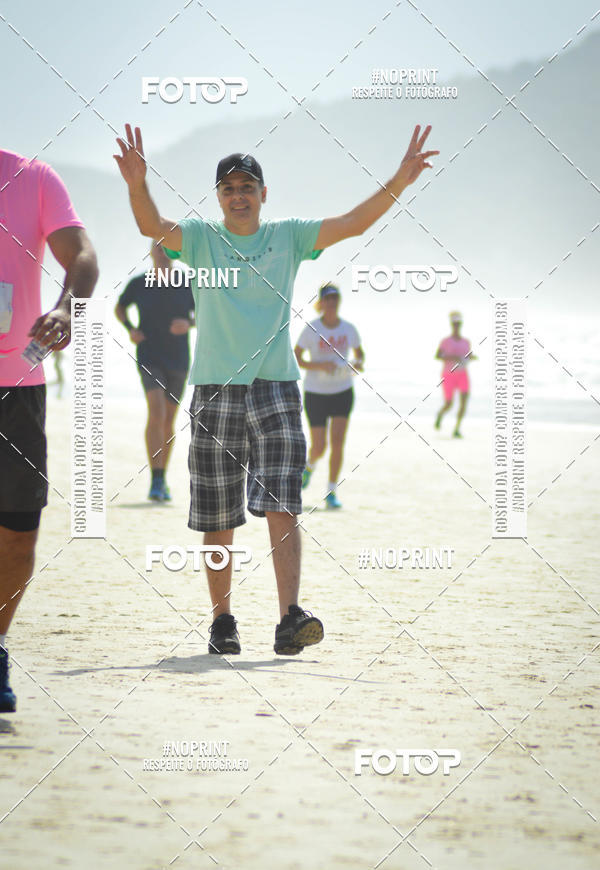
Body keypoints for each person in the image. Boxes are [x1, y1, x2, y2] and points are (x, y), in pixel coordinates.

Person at [114, 122, 438, 656]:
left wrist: (400, 181)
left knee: (284, 498)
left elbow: (353, 224)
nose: (238, 196)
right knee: (218, 513)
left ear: (264, 194)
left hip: (277, 385)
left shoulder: (288, 237)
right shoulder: (201, 239)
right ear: (219, 198)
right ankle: (223, 621)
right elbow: (153, 223)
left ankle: (290, 616)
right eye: (228, 189)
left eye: (247, 187)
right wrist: (136, 184)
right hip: (216, 387)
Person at [0, 149, 99, 712]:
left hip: (19, 386)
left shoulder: (32, 178)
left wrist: (66, 308)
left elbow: (83, 255)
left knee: (17, 533)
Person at [115, 241, 194, 501]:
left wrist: (189, 323)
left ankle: (161, 478)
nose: (162, 252)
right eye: (158, 247)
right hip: (149, 355)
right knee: (157, 411)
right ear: (150, 252)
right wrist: (131, 329)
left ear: (176, 252)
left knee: (169, 419)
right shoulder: (140, 283)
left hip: (179, 358)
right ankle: (156, 480)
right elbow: (120, 307)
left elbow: (206, 310)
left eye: (167, 247)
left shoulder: (187, 282)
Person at [294, 283, 364, 509]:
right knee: (320, 446)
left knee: (338, 443)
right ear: (321, 303)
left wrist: (354, 365)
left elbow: (360, 356)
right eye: (328, 299)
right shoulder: (312, 329)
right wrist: (318, 365)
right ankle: (309, 467)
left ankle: (331, 491)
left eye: (336, 298)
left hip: (342, 391)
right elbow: (297, 357)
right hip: (316, 393)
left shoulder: (348, 329)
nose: (332, 302)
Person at [434, 311, 476, 438]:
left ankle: (457, 428)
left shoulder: (466, 342)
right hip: (449, 374)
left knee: (464, 402)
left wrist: (471, 357)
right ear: (452, 325)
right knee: (449, 404)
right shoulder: (445, 341)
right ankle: (440, 415)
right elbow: (438, 356)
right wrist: (452, 357)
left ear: (461, 325)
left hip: (462, 374)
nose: (457, 326)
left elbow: (468, 355)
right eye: (455, 324)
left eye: (458, 324)